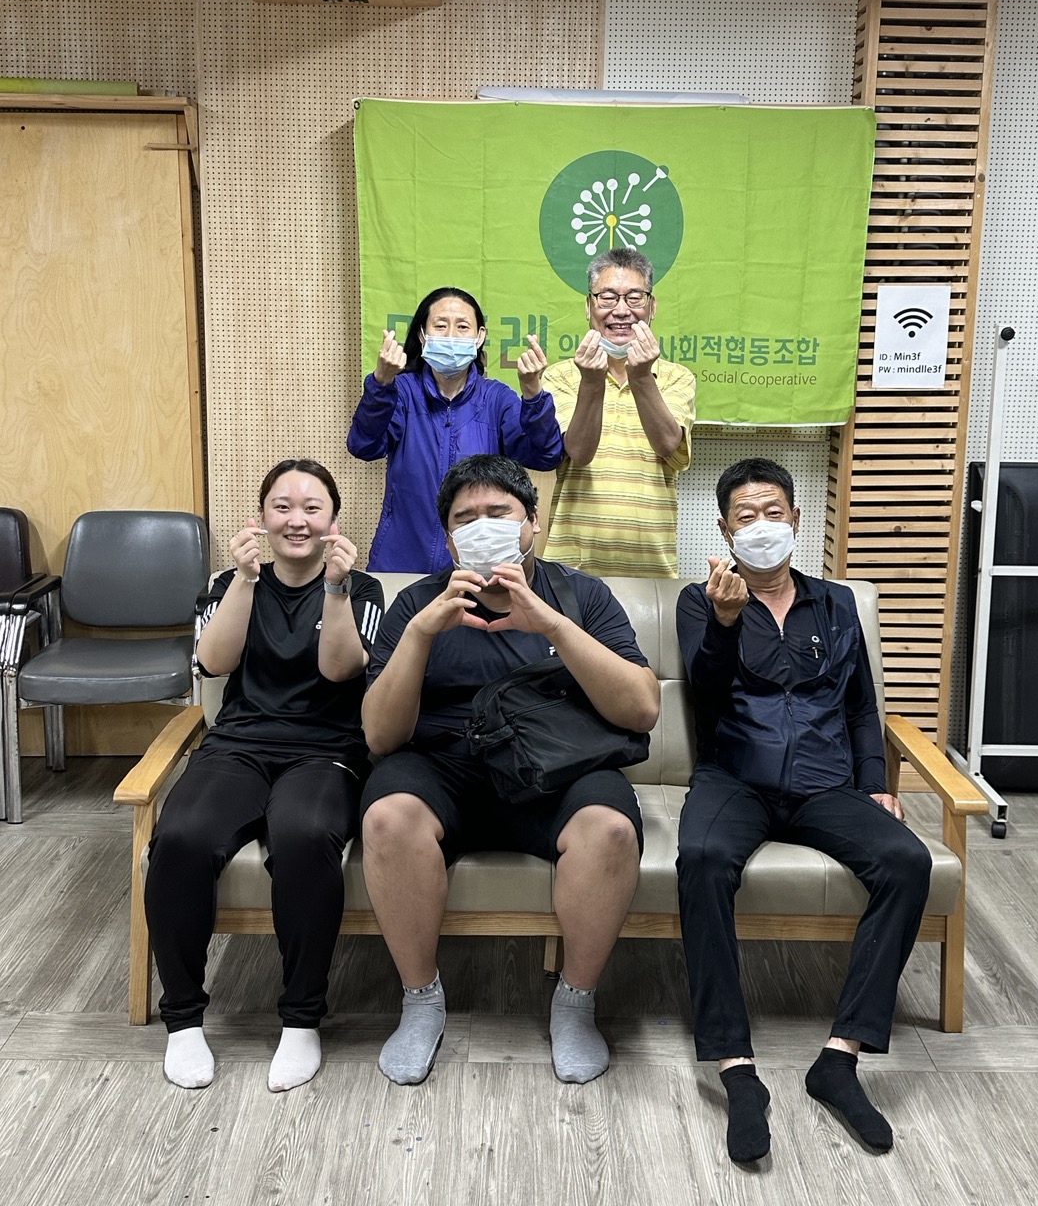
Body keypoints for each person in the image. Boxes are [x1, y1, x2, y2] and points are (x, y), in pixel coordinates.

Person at [360, 453, 659, 1087]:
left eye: (499, 513)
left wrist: (548, 622)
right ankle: (420, 1001)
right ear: (448, 539)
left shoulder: (580, 595)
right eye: (465, 518)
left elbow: (641, 709)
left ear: (533, 523)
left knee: (610, 830)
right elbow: (381, 736)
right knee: (387, 818)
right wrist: (420, 635)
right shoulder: (417, 601)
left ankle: (575, 1003)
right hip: (443, 766)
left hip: (556, 768)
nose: (483, 526)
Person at [675, 458, 932, 1161]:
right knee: (701, 857)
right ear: (725, 530)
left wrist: (875, 780)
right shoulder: (701, 600)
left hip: (826, 784)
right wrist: (725, 623)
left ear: (795, 518)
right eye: (745, 516)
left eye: (773, 512)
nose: (761, 526)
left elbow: (862, 706)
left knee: (907, 861)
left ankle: (840, 1059)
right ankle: (736, 1069)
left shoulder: (836, 603)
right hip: (735, 778)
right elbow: (703, 693)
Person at [144, 459, 383, 1092]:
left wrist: (336, 590)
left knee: (304, 837)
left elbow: (340, 672)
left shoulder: (362, 590)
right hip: (239, 746)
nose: (296, 520)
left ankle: (301, 1020)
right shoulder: (232, 583)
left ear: (333, 521)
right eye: (282, 506)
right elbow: (213, 662)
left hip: (326, 750)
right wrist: (246, 582)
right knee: (181, 837)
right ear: (261, 518)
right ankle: (183, 1021)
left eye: (312, 508)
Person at [347, 287, 563, 572]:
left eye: (462, 327)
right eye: (440, 326)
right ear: (422, 335)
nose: (451, 336)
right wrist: (381, 382)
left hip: (477, 563)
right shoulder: (402, 391)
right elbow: (363, 446)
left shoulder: (496, 398)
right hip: (401, 561)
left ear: (479, 336)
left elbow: (546, 455)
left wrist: (533, 392)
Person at [543, 248, 696, 578]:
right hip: (570, 570)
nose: (622, 311)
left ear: (652, 307)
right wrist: (591, 382)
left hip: (652, 571)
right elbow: (579, 451)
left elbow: (668, 445)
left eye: (635, 298)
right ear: (589, 307)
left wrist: (641, 377)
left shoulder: (677, 377)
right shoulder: (560, 376)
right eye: (608, 297)